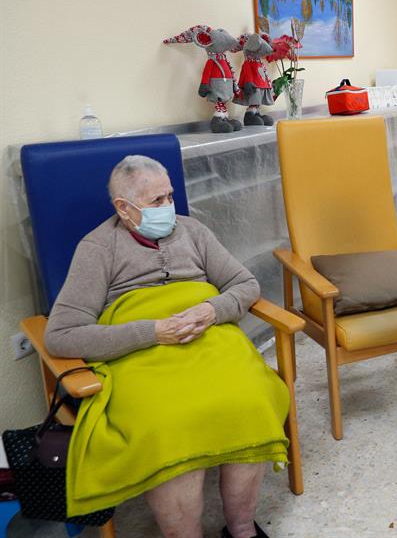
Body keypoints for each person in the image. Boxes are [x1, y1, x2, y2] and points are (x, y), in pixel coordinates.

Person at [45, 155, 289, 538]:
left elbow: (245, 284)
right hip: (140, 350)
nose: (168, 208)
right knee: (167, 423)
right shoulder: (96, 248)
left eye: (170, 196)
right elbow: (61, 333)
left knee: (251, 399)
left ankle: (242, 530)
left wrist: (212, 310)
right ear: (124, 208)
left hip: (209, 336)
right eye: (156, 201)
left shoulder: (193, 231)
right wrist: (153, 332)